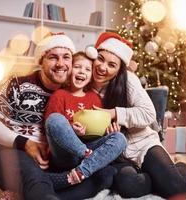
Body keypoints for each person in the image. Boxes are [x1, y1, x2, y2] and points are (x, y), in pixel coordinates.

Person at [0, 32, 116, 200]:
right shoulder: (18, 84)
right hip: (14, 157)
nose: (60, 64)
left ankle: (31, 193)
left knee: (106, 174)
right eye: (53, 57)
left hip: (55, 163)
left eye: (66, 57)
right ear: (41, 60)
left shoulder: (73, 92)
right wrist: (26, 143)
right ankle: (42, 191)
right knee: (35, 178)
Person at [89, 32, 186, 199]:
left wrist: (114, 113)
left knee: (178, 190)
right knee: (129, 187)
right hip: (117, 155)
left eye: (111, 65)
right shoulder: (83, 80)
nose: (102, 67)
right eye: (100, 59)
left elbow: (148, 113)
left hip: (143, 143)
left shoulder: (128, 80)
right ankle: (158, 176)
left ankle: (177, 166)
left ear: (119, 70)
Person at [44, 51, 127, 186]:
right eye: (77, 67)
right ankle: (88, 155)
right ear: (70, 70)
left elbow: (98, 131)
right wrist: (71, 129)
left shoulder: (94, 98)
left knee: (120, 138)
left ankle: (78, 174)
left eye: (87, 69)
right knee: (55, 119)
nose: (82, 71)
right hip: (65, 153)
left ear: (91, 76)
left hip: (86, 152)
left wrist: (110, 131)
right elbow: (51, 127)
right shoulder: (59, 95)